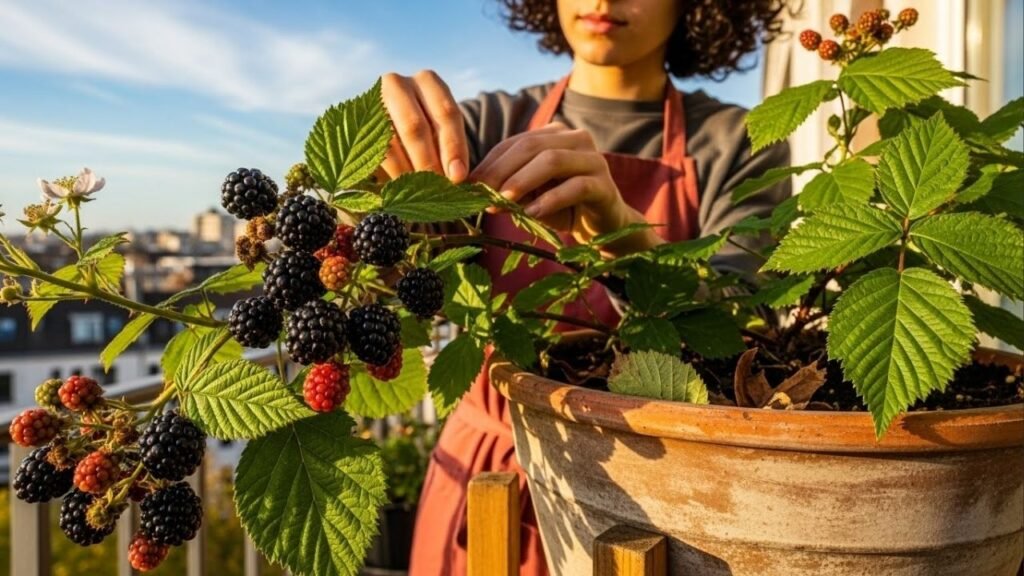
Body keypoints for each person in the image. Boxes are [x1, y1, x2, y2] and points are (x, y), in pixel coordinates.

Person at [377, 1, 791, 574]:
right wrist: (369, 192)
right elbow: (394, 270)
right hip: (487, 481)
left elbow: (744, 330)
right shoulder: (485, 126)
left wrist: (624, 236)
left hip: (657, 511)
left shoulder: (737, 143)